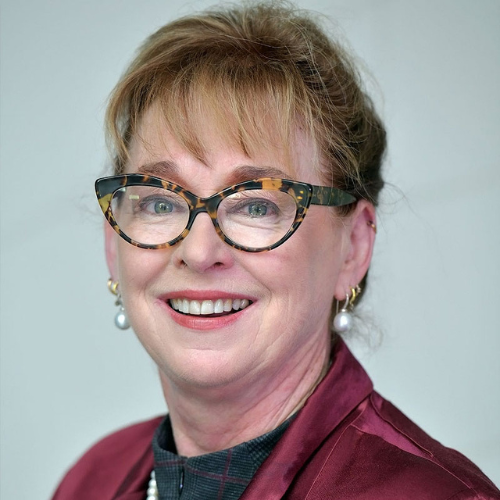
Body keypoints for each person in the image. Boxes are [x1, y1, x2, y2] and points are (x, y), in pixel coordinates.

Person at [52, 2, 500, 499]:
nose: (199, 252)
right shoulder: (90, 481)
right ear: (113, 244)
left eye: (257, 205)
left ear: (353, 248)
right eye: (160, 202)